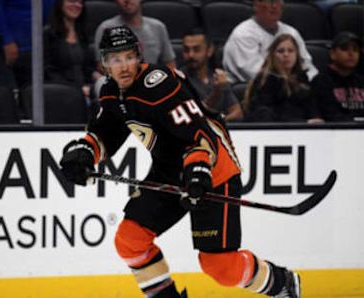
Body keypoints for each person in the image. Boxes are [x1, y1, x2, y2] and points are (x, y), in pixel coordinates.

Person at [59, 25, 301, 298]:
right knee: (130, 241)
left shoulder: (160, 84)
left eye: (129, 57)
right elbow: (105, 132)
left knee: (219, 267)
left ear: (139, 56)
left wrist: (198, 172)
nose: (124, 66)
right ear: (104, 63)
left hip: (212, 168)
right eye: (115, 59)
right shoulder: (111, 92)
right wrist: (84, 153)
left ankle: (282, 283)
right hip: (169, 170)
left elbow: (199, 134)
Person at [223, 0, 318, 84]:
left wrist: (308, 81)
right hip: (257, 93)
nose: (275, 6)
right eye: (270, 1)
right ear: (256, 4)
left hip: (294, 87)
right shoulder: (243, 34)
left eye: (279, 1)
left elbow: (306, 64)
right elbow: (252, 72)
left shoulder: (291, 32)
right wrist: (289, 82)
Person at [243, 34, 322, 123]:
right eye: (280, 51)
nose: (286, 54)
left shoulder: (302, 78)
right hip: (276, 130)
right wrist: (302, 123)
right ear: (272, 55)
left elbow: (311, 106)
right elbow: (265, 114)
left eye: (291, 51)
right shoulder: (266, 80)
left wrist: (316, 120)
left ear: (297, 54)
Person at [181, 28, 243, 122]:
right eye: (186, 50)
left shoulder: (217, 76)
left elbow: (237, 113)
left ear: (209, 51)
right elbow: (197, 116)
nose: (191, 55)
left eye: (197, 49)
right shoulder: (178, 80)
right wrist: (217, 92)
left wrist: (218, 122)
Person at [93, 0, 176, 69]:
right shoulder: (106, 28)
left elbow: (170, 64)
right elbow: (102, 66)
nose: (127, 0)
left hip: (152, 81)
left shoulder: (158, 27)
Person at [44, 0, 95, 104]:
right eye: (71, 1)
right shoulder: (48, 34)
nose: (76, 5)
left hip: (86, 91)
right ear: (60, 4)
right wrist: (75, 89)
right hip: (60, 93)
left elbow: (87, 69)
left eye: (80, 2)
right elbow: (48, 71)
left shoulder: (83, 35)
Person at [311, 31, 364, 122]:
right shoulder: (321, 82)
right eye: (344, 49)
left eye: (355, 49)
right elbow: (329, 115)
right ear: (332, 54)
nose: (351, 53)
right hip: (334, 132)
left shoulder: (361, 81)